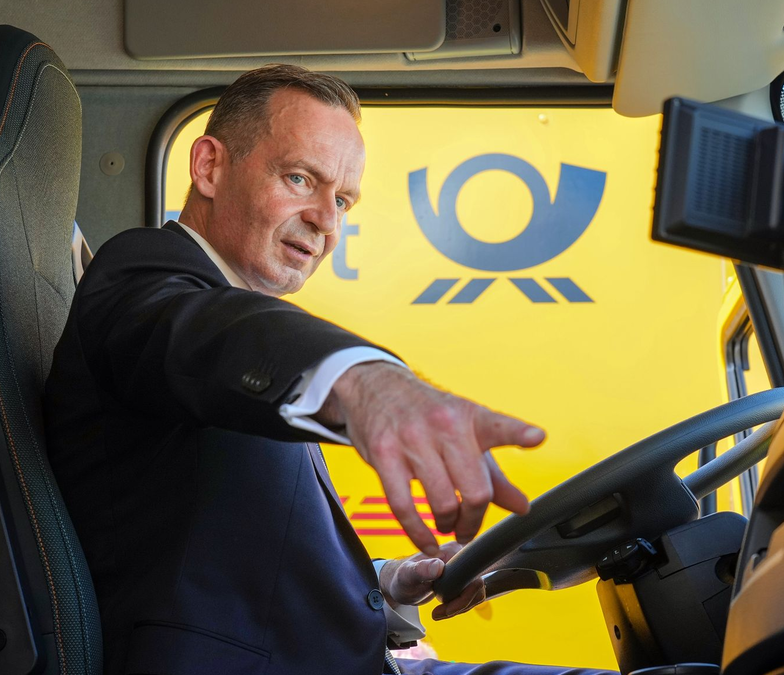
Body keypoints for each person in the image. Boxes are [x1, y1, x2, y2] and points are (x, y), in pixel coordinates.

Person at [44, 64, 617, 675]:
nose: (327, 220)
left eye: (342, 199)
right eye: (299, 178)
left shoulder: (240, 327)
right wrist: (367, 380)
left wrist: (393, 583)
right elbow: (211, 334)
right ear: (209, 167)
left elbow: (232, 568)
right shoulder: (143, 278)